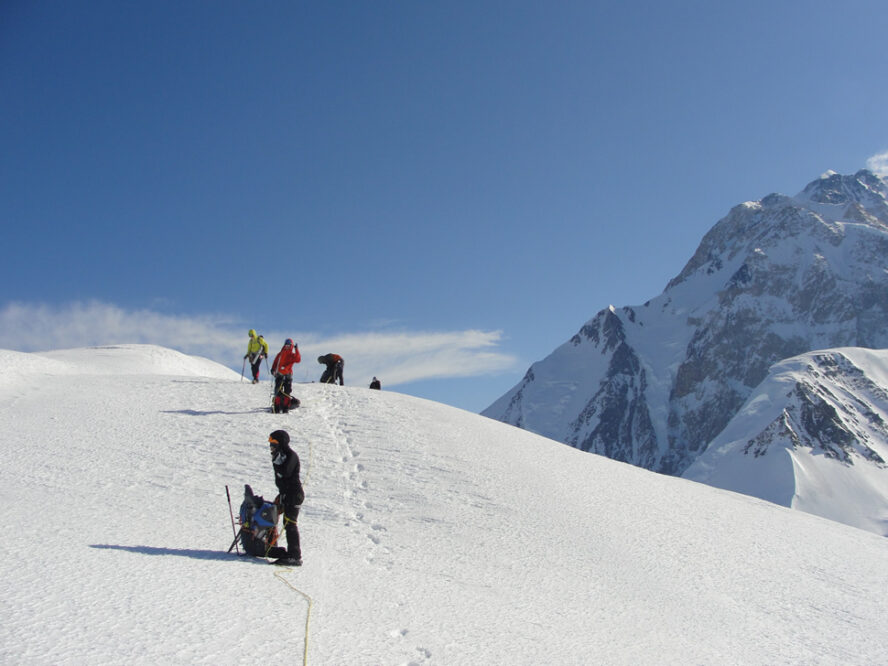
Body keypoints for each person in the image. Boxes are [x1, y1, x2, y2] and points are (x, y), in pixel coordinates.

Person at [269, 429, 304, 566]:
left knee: (290, 523)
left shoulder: (290, 455)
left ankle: (294, 556)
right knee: (275, 517)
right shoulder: (280, 455)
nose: (271, 446)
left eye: (274, 443)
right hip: (286, 493)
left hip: (294, 494)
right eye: (270, 443)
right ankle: (272, 547)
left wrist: (277, 462)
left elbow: (286, 472)